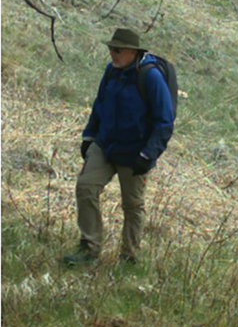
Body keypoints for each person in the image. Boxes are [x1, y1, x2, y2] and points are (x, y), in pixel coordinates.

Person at [63, 28, 175, 266]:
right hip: (105, 145)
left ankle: (129, 257)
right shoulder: (111, 71)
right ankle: (89, 249)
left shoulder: (150, 77)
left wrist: (148, 154)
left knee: (132, 206)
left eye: (117, 50)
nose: (112, 53)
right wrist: (89, 137)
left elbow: (165, 121)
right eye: (110, 49)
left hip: (135, 153)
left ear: (133, 52)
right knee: (85, 188)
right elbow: (99, 104)